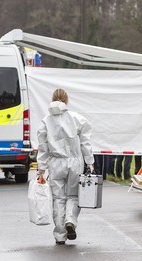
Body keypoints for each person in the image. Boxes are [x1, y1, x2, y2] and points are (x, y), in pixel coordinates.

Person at [37, 89, 95, 245]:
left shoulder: (45, 121)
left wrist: (41, 169)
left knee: (58, 198)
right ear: (66, 100)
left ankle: (60, 235)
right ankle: (70, 220)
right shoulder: (78, 119)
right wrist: (90, 162)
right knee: (74, 196)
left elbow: (43, 148)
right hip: (75, 162)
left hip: (56, 163)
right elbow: (85, 143)